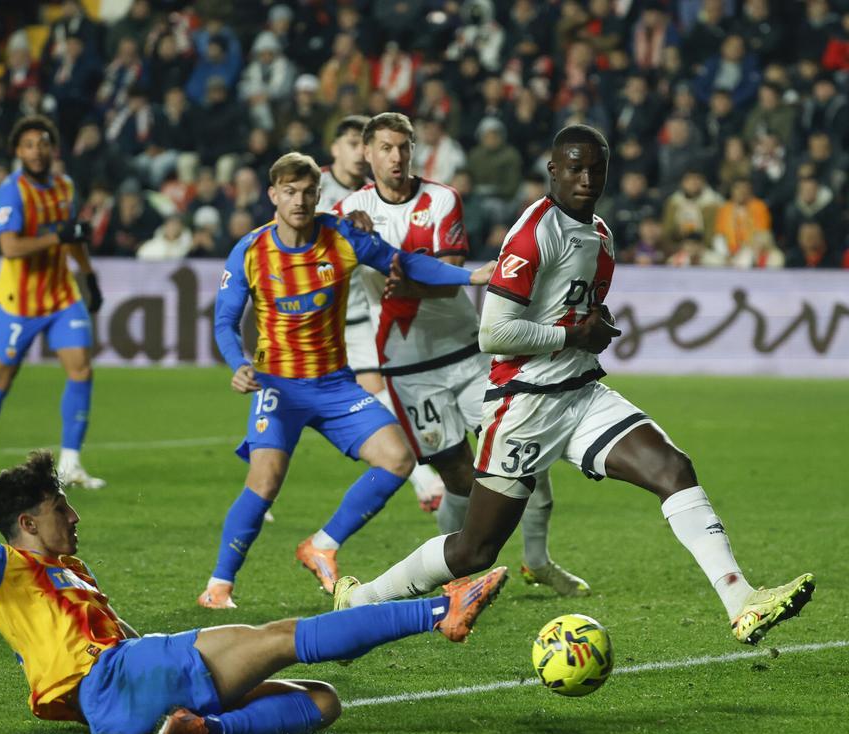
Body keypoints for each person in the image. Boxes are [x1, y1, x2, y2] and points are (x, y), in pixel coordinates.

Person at [335, 125, 815, 648]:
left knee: (672, 468)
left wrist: (593, 327)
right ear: (554, 171)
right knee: (475, 551)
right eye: (575, 168)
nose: (586, 179)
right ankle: (362, 601)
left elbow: (574, 311)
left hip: (581, 393)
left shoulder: (601, 233)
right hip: (524, 404)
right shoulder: (533, 233)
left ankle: (740, 600)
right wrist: (573, 332)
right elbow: (493, 331)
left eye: (596, 169)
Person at [0, 443, 507, 734]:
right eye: (59, 509)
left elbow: (116, 637)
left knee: (322, 703)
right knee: (278, 638)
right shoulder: (3, 569)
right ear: (26, 524)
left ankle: (199, 729)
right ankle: (438, 609)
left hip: (123, 695)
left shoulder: (75, 577)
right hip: (113, 683)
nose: (72, 518)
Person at [199, 152, 494, 610]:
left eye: (307, 192)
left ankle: (322, 545)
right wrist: (237, 361)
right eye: (289, 192)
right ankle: (219, 585)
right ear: (273, 195)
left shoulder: (341, 237)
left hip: (335, 385)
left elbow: (404, 263)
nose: (299, 200)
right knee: (265, 482)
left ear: (320, 195)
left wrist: (469, 274)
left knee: (398, 459)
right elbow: (224, 319)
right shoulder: (252, 250)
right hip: (278, 386)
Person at [338, 112, 588, 597]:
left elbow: (448, 268)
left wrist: (407, 279)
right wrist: (411, 271)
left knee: (525, 453)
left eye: (403, 147)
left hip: (468, 353)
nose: (396, 157)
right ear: (367, 154)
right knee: (456, 473)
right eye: (386, 148)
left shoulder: (442, 199)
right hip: (406, 366)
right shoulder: (352, 210)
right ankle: (460, 572)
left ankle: (536, 559)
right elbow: (423, 271)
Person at [0, 115, 106, 490]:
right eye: (28, 145)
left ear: (52, 148)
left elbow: (72, 237)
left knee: (81, 369)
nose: (36, 151)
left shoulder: (65, 186)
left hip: (61, 296)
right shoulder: (11, 191)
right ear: (18, 151)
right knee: (2, 377)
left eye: (42, 143)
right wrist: (55, 237)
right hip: (19, 303)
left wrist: (88, 274)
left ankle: (71, 464)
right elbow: (10, 247)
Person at [315, 114, 445, 514]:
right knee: (376, 389)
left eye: (362, 144)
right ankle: (425, 478)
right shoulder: (315, 188)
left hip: (370, 308)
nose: (359, 152)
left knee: (384, 387)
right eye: (352, 144)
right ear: (336, 147)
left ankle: (427, 474)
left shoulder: (374, 194)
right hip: (332, 314)